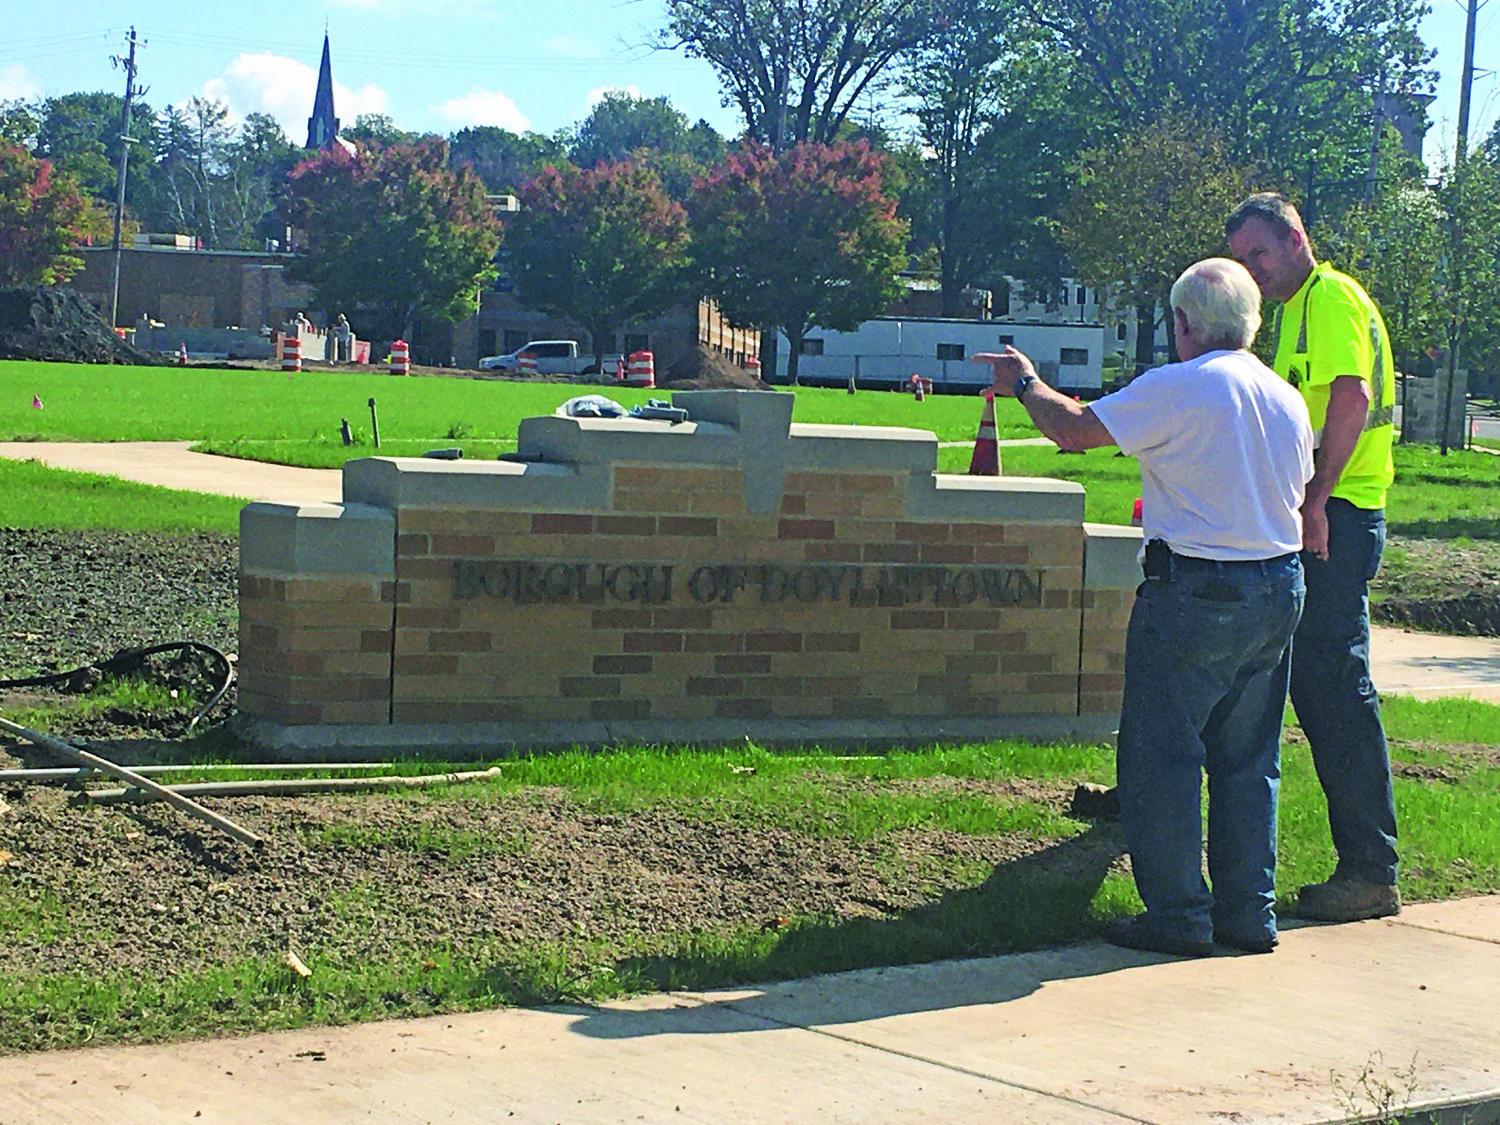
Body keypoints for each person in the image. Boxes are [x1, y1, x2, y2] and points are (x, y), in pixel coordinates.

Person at [974, 258, 1313, 957]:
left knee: (1163, 754)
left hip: (1193, 588)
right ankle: (1249, 913)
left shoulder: (1180, 387)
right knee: (1250, 758)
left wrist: (1025, 382)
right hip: (1279, 584)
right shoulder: (1286, 398)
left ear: (1184, 323)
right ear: (1251, 321)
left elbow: (1073, 430)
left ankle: (1180, 916)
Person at [1226, 192, 1401, 923]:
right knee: (1319, 685)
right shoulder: (1295, 308)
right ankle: (1365, 864)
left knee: (1335, 687)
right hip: (1328, 512)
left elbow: (1351, 400)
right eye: (1241, 261)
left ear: (1297, 238)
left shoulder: (1329, 299)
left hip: (1342, 515)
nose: (1251, 271)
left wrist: (1316, 501)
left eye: (1259, 254)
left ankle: (1370, 868)